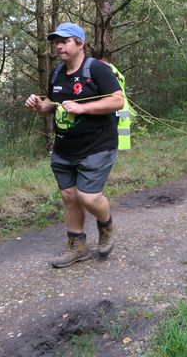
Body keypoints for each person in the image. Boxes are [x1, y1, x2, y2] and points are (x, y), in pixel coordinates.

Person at [25, 22, 124, 268]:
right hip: (64, 148)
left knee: (88, 197)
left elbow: (117, 100)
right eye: (56, 41)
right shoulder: (57, 73)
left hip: (97, 146)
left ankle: (106, 226)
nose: (58, 45)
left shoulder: (97, 70)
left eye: (64, 40)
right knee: (69, 196)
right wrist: (40, 105)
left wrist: (82, 107)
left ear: (80, 43)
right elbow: (53, 103)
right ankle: (77, 246)